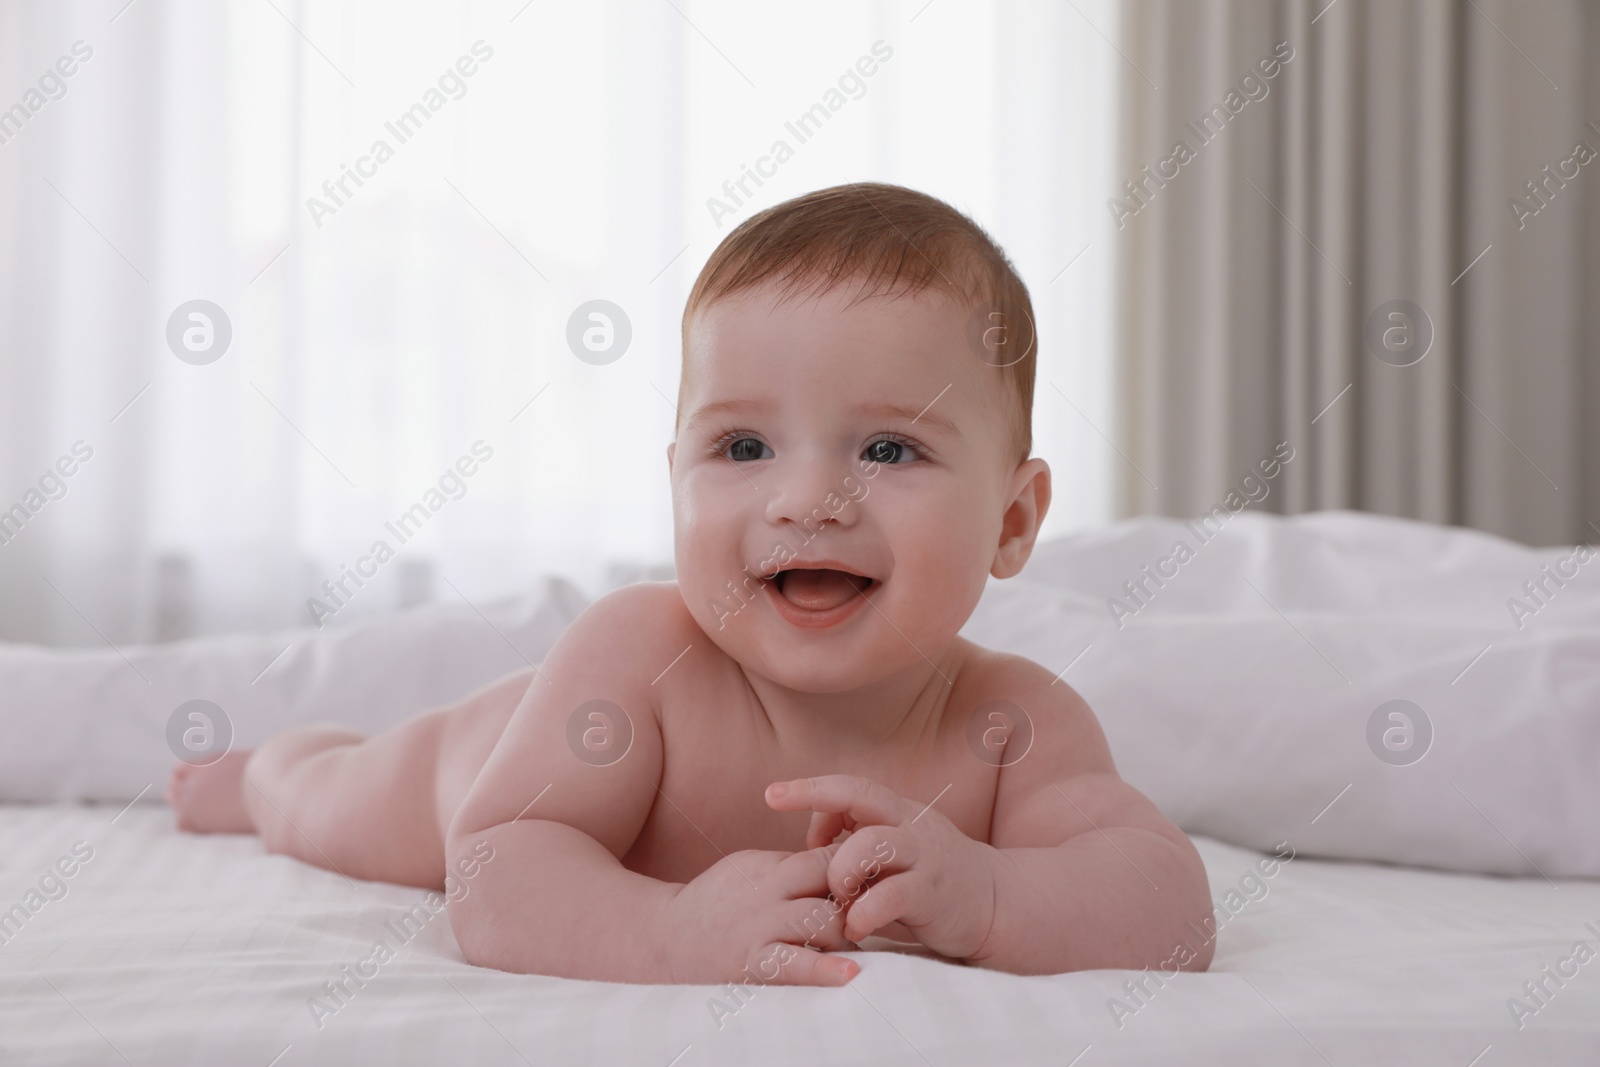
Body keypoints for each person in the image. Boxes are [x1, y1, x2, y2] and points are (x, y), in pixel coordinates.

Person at [169, 182, 1213, 986]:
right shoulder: (639, 655)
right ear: (675, 475)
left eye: (889, 450)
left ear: (1013, 519)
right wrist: (665, 930)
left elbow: (1168, 905)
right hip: (483, 766)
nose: (809, 499)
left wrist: (992, 894)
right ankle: (270, 771)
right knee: (335, 802)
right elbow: (494, 866)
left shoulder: (1013, 722)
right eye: (745, 443)